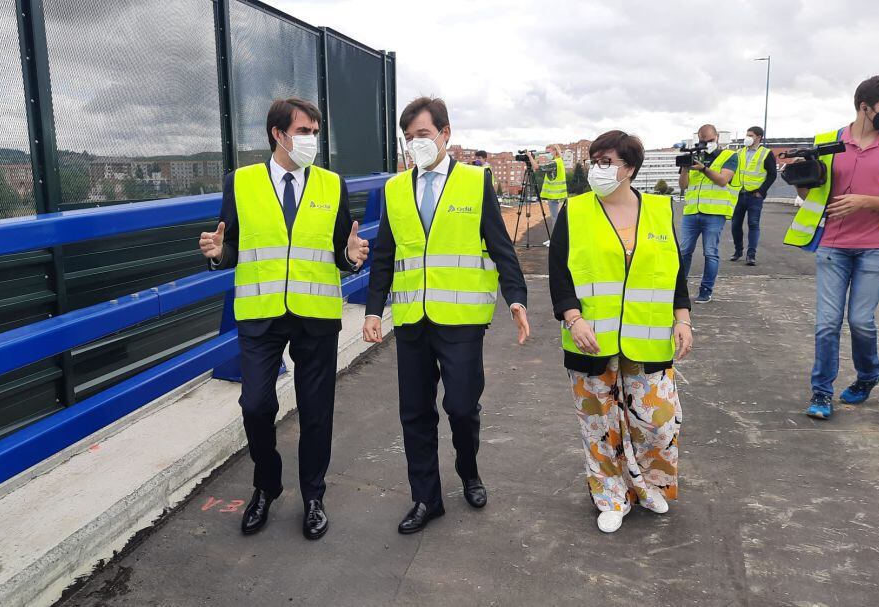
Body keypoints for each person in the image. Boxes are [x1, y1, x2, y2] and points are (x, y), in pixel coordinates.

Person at [199, 98, 370, 539]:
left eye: (315, 131)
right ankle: (267, 484)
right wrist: (220, 257)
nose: (312, 139)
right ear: (278, 134)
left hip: (315, 314)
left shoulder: (332, 184)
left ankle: (314, 495)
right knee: (255, 405)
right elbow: (230, 243)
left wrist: (350, 259)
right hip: (261, 314)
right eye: (304, 131)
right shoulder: (240, 182)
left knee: (316, 412)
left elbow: (340, 247)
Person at [361, 96, 529, 534]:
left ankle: (468, 471)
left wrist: (516, 298)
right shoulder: (395, 189)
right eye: (408, 137)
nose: (415, 144)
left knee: (460, 407)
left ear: (445, 134)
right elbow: (384, 256)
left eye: (422, 134)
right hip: (413, 320)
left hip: (461, 323)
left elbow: (500, 246)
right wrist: (373, 311)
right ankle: (426, 498)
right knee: (414, 412)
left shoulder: (475, 182)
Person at [548, 130, 693, 533]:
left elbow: (674, 273)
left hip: (647, 339)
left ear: (630, 168)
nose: (598, 168)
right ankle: (609, 494)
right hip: (590, 339)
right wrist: (573, 319)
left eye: (607, 161)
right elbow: (559, 274)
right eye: (595, 160)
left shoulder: (661, 211)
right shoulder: (574, 211)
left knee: (658, 420)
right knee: (599, 422)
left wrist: (683, 319)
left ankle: (646, 485)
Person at [783, 75, 879, 420]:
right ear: (865, 107)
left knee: (860, 321)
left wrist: (863, 202)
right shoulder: (828, 142)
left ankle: (867, 375)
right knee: (827, 323)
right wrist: (800, 177)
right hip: (833, 245)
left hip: (875, 246)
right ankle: (821, 392)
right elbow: (810, 194)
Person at [678, 124, 738, 303]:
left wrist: (703, 169)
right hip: (691, 212)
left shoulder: (729, 156)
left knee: (710, 252)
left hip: (714, 213)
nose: (706, 144)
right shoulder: (694, 156)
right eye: (703, 141)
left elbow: (723, 180)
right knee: (684, 252)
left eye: (710, 140)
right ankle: (680, 289)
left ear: (717, 137)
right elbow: (683, 185)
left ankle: (706, 291)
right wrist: (686, 168)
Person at [729, 126, 777, 266]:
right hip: (739, 194)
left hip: (754, 196)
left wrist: (761, 191)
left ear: (759, 137)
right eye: (747, 134)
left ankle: (751, 255)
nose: (747, 137)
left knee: (753, 224)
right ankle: (738, 251)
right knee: (735, 224)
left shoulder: (766, 153)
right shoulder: (739, 152)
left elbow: (772, 174)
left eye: (750, 135)